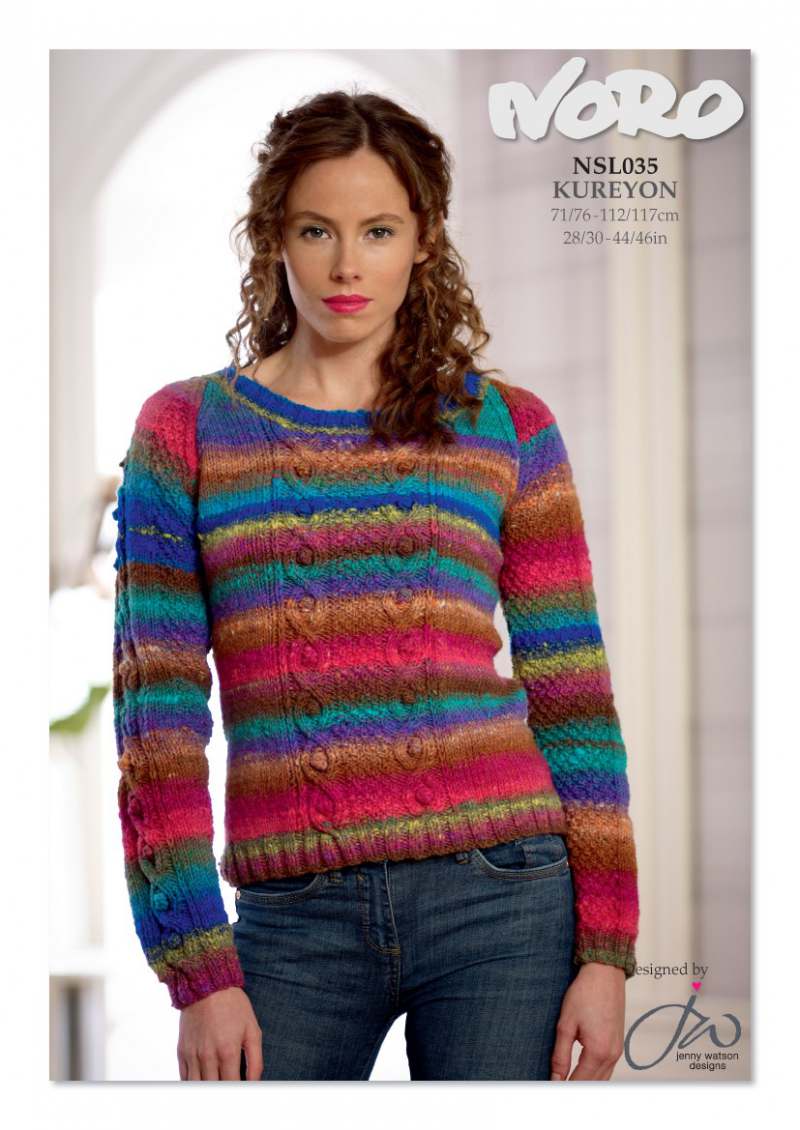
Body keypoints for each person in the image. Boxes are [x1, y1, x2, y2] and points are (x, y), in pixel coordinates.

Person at [112, 88, 639, 1082]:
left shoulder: (509, 427)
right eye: (316, 229)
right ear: (273, 237)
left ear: (423, 239)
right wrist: (196, 968)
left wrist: (606, 949)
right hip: (292, 918)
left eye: (379, 230)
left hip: (505, 894)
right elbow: (158, 725)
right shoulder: (186, 432)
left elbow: (573, 695)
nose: (347, 265)